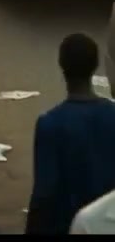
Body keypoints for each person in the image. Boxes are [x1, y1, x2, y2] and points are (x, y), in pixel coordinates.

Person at [26, 33, 115, 236]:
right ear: (95, 66)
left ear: (61, 65)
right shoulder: (112, 115)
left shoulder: (50, 124)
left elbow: (43, 195)